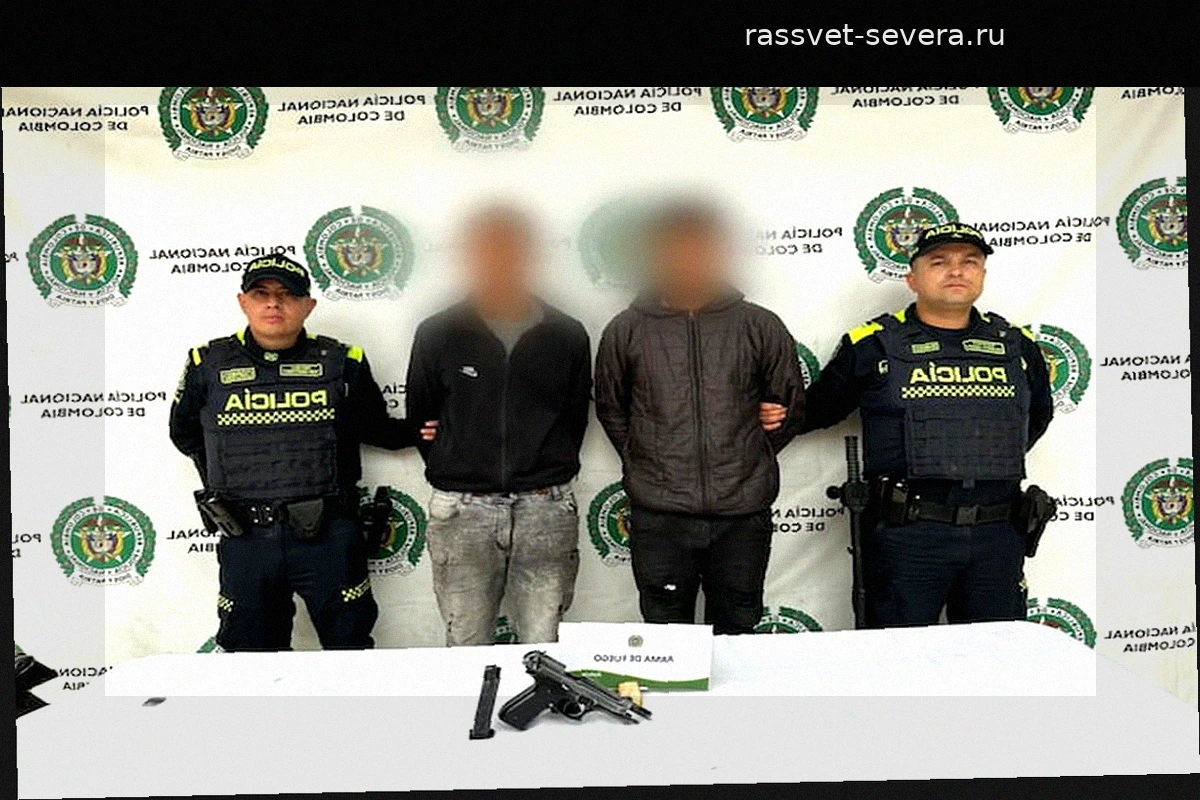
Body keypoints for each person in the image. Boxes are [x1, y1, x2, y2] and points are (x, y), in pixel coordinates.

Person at [169, 253, 436, 651]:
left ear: (308, 306)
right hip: (247, 539)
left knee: (349, 651)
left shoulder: (344, 361)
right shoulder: (206, 363)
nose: (273, 304)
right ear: (243, 302)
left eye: (287, 295)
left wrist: (426, 429)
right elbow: (184, 435)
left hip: (330, 538)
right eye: (261, 294)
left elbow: (374, 428)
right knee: (249, 657)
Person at [800, 222, 1054, 627]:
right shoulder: (873, 344)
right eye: (939, 262)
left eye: (970, 262)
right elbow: (815, 411)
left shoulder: (1017, 345)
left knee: (996, 657)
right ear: (912, 279)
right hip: (908, 536)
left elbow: (1037, 416)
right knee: (898, 657)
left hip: (997, 534)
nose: (956, 271)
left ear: (982, 274)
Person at [593, 199, 806, 635]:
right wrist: (647, 455)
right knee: (666, 639)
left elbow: (787, 406)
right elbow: (612, 408)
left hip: (742, 513)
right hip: (660, 516)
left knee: (738, 632)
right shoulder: (625, 329)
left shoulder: (760, 325)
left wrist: (748, 449)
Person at [405, 203, 592, 646]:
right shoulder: (438, 332)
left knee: (543, 646)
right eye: (487, 250)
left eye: (510, 250)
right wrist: (462, 464)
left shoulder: (567, 334)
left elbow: (573, 419)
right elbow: (423, 416)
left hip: (545, 508)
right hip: (462, 510)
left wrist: (541, 466)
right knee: (466, 643)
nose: (499, 260)